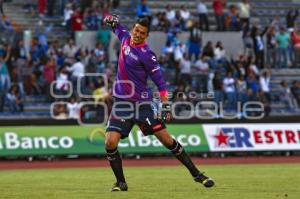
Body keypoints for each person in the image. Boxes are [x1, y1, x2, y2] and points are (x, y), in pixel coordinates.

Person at [103, 14, 214, 191]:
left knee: (167, 140)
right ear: (133, 29)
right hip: (121, 103)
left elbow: (161, 83)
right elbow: (115, 25)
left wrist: (166, 106)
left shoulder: (148, 55)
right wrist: (110, 18)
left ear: (147, 36)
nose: (138, 34)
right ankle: (121, 183)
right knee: (110, 142)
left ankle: (197, 175)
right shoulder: (124, 37)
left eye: (142, 33)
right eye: (137, 30)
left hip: (142, 104)